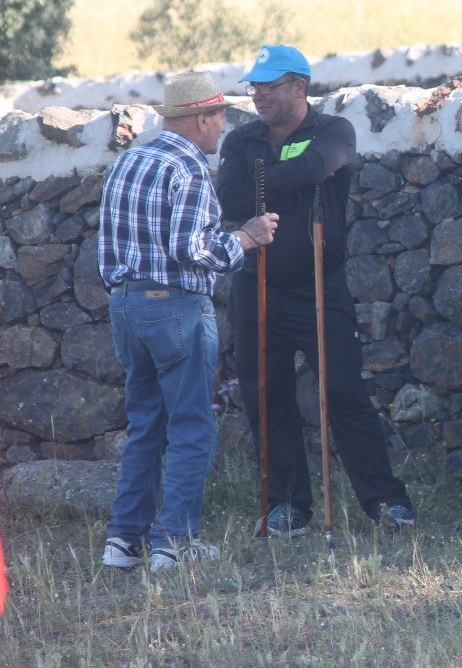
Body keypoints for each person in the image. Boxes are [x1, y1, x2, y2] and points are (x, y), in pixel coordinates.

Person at [216, 45, 414, 535]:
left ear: (299, 87)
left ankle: (385, 501)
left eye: (268, 85)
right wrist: (291, 179)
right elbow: (229, 198)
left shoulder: (333, 130)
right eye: (254, 86)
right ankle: (288, 504)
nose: (257, 94)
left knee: (345, 392)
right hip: (254, 285)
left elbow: (314, 169)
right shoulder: (240, 140)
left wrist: (267, 180)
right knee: (267, 395)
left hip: (319, 286)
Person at [99, 71, 279, 572]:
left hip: (126, 303)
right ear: (201, 119)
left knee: (145, 425)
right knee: (192, 425)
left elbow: (108, 246)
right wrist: (247, 236)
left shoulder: (128, 160)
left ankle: (124, 541)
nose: (223, 127)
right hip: (176, 306)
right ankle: (172, 542)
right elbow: (193, 249)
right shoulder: (190, 167)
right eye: (220, 117)